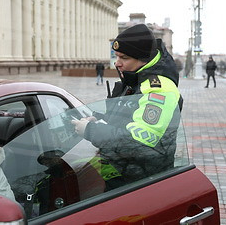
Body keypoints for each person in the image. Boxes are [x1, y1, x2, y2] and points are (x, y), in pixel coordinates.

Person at [72, 24, 183, 190]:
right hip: (122, 173)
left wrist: (91, 130)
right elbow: (126, 118)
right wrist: (100, 119)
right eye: (116, 57)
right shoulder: (135, 79)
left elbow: (141, 142)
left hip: (142, 183)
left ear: (143, 59)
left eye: (124, 58)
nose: (117, 63)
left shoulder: (159, 89)